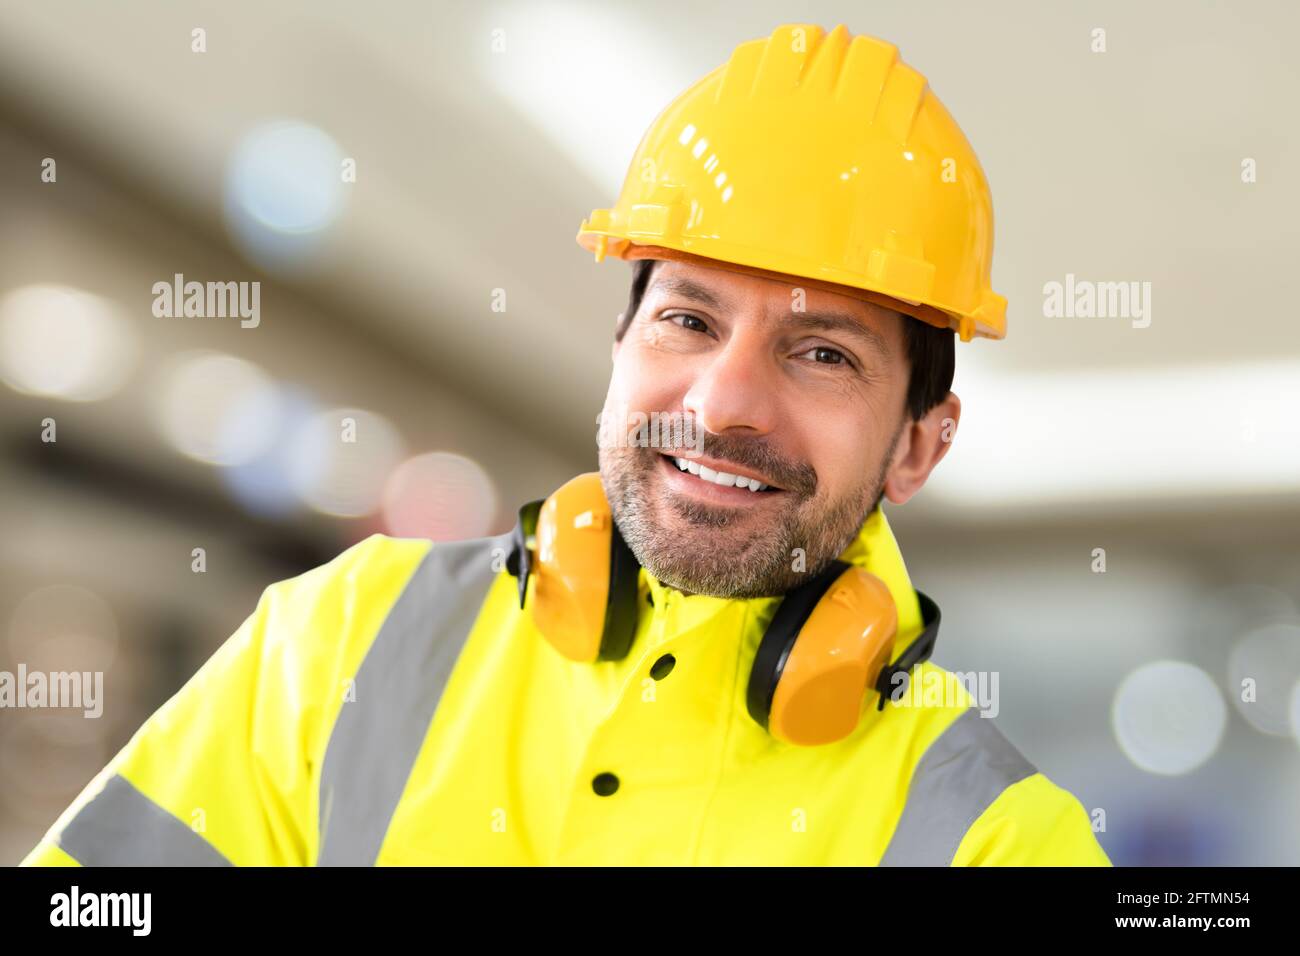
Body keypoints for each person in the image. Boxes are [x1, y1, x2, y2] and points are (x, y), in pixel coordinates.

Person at [22, 23, 1110, 866]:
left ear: (919, 448)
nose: (723, 400)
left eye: (822, 353)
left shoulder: (997, 838)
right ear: (621, 343)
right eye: (687, 319)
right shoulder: (336, 641)